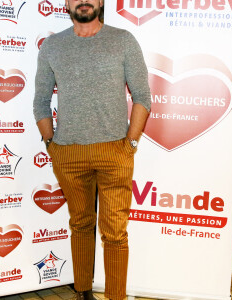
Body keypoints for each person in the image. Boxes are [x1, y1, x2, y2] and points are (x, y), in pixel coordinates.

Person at [33, 0, 151, 299]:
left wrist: (131, 143)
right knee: (81, 225)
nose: (83, 1)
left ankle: (115, 296)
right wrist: (51, 144)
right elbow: (40, 101)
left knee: (114, 233)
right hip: (67, 153)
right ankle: (82, 292)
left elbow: (142, 97)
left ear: (100, 2)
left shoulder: (123, 40)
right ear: (67, 3)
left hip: (115, 151)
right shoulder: (52, 45)